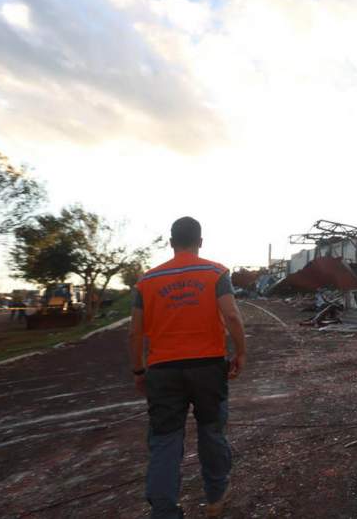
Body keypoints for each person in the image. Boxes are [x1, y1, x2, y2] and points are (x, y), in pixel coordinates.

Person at [129, 217, 247, 518]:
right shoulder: (215, 272)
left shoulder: (146, 282)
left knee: (165, 441)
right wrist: (240, 353)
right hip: (208, 368)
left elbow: (135, 332)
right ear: (200, 242)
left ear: (171, 243)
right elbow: (232, 316)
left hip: (163, 370)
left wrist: (139, 371)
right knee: (211, 432)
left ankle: (165, 511)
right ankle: (215, 498)